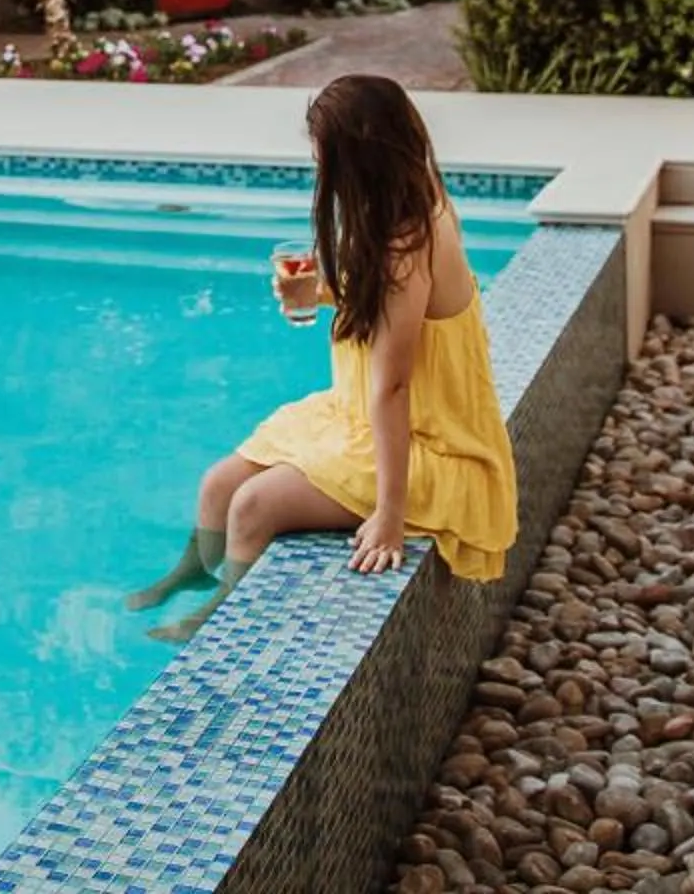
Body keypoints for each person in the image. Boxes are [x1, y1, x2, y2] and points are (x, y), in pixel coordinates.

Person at [126, 74, 517, 642]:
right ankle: (192, 575)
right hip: (357, 414)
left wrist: (389, 514)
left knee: (253, 507)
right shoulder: (400, 202)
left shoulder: (408, 245)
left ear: (358, 160)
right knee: (218, 485)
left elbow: (394, 387)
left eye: (325, 158)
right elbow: (378, 299)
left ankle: (223, 623)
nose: (319, 171)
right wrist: (321, 290)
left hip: (432, 443)